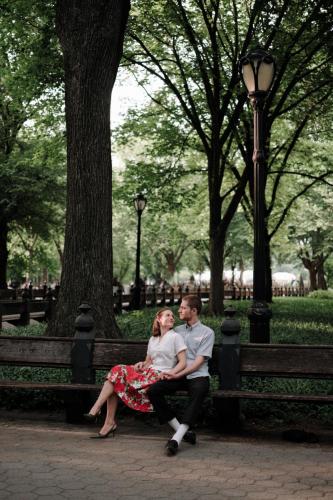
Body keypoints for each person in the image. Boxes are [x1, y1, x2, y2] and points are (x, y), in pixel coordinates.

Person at [83, 308, 187, 438]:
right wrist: (140, 365)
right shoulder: (153, 339)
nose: (172, 317)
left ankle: (101, 416)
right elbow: (148, 362)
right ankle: (100, 414)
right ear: (159, 319)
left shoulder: (176, 337)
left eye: (172, 316)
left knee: (116, 379)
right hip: (148, 372)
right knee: (116, 372)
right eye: (167, 315)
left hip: (160, 376)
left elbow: (183, 363)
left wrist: (171, 373)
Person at [147, 294, 215, 456]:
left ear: (194, 310)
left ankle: (176, 439)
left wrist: (177, 374)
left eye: (183, 308)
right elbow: (160, 349)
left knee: (199, 390)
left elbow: (198, 362)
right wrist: (148, 364)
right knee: (153, 391)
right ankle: (183, 432)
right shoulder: (176, 331)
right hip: (177, 374)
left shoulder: (207, 333)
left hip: (197, 375)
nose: (180, 310)